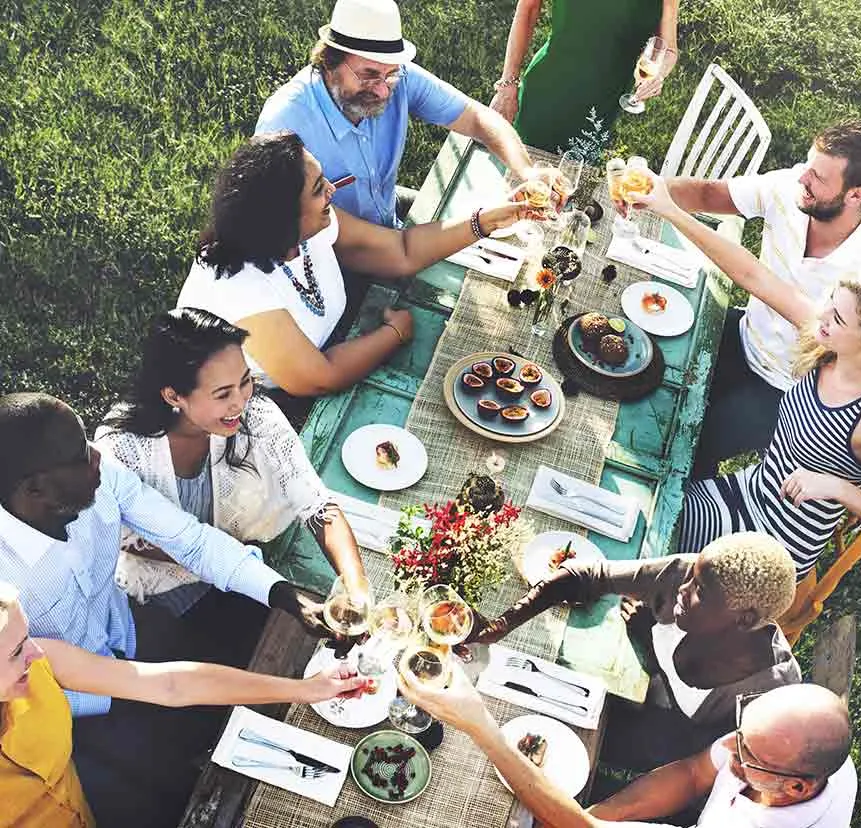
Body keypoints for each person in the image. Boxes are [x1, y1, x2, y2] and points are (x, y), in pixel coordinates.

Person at [0, 392, 335, 824]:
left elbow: (191, 541)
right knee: (166, 796)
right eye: (81, 454)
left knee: (210, 720)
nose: (99, 455)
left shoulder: (101, 481)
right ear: (35, 489)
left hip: (133, 636)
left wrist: (285, 595)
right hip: (68, 711)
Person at [635, 168, 861, 577]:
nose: (822, 316)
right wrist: (668, 208)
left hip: (771, 547)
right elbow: (752, 275)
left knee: (643, 541)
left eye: (838, 318)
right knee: (641, 503)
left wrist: (839, 489)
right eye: (830, 303)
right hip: (740, 495)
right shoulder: (828, 345)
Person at [178, 131, 538, 419]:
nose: (332, 191)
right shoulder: (241, 289)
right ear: (282, 217)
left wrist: (487, 220)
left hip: (333, 346)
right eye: (319, 189)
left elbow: (402, 250)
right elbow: (320, 378)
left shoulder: (309, 225)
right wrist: (394, 333)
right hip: (261, 411)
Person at [0, 581, 368, 828]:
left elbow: (172, 684)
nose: (37, 651)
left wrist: (304, 689)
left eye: (27, 637)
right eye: (17, 651)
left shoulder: (41, 660)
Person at [665, 121, 861, 478]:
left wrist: (666, 210)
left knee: (684, 442)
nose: (803, 178)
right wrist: (651, 189)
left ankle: (684, 517)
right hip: (745, 335)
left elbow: (759, 282)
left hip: (783, 391)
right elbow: (709, 195)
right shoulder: (792, 188)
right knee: (654, 360)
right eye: (809, 164)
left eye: (819, 177)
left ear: (856, 194)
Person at [94, 308, 367, 613]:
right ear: (173, 396)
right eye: (222, 394)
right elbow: (120, 535)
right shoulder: (121, 449)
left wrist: (357, 589)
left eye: (245, 381)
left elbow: (318, 506)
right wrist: (222, 561)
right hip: (162, 593)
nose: (241, 402)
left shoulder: (256, 414)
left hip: (255, 568)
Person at [477, 533, 800, 771]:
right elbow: (585, 576)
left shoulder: (768, 690)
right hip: (614, 694)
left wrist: (648, 643)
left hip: (654, 751)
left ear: (745, 619)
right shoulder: (686, 573)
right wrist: (504, 623)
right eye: (691, 577)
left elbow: (694, 763)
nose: (682, 590)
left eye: (699, 590)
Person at [399, 670, 856, 827]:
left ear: (796, 786)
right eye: (741, 731)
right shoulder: (787, 748)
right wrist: (605, 812)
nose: (730, 752)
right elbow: (694, 774)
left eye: (747, 757)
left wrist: (480, 725)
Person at [255, 0, 535, 228]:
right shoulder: (284, 122)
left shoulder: (397, 76)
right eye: (369, 76)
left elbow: (477, 117)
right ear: (330, 62)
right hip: (337, 258)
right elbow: (384, 253)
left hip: (389, 220)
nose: (383, 92)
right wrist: (479, 224)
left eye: (390, 75)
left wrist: (527, 172)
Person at [490, 0, 679, 153]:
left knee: (566, 188)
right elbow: (527, 9)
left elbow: (668, 49)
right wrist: (507, 85)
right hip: (546, 93)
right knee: (512, 179)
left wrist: (658, 74)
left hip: (601, 109)